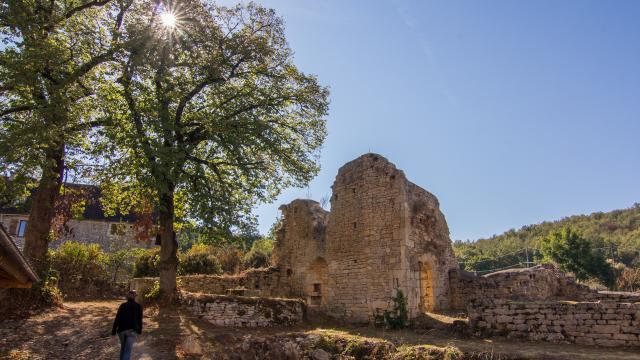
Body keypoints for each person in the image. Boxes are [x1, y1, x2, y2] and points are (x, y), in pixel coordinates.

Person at [112, 290, 143, 360]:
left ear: (127, 297)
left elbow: (117, 318)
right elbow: (139, 320)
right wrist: (140, 330)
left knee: (123, 348)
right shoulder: (138, 306)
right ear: (135, 297)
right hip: (132, 330)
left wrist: (113, 330)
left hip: (121, 330)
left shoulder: (122, 305)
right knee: (127, 350)